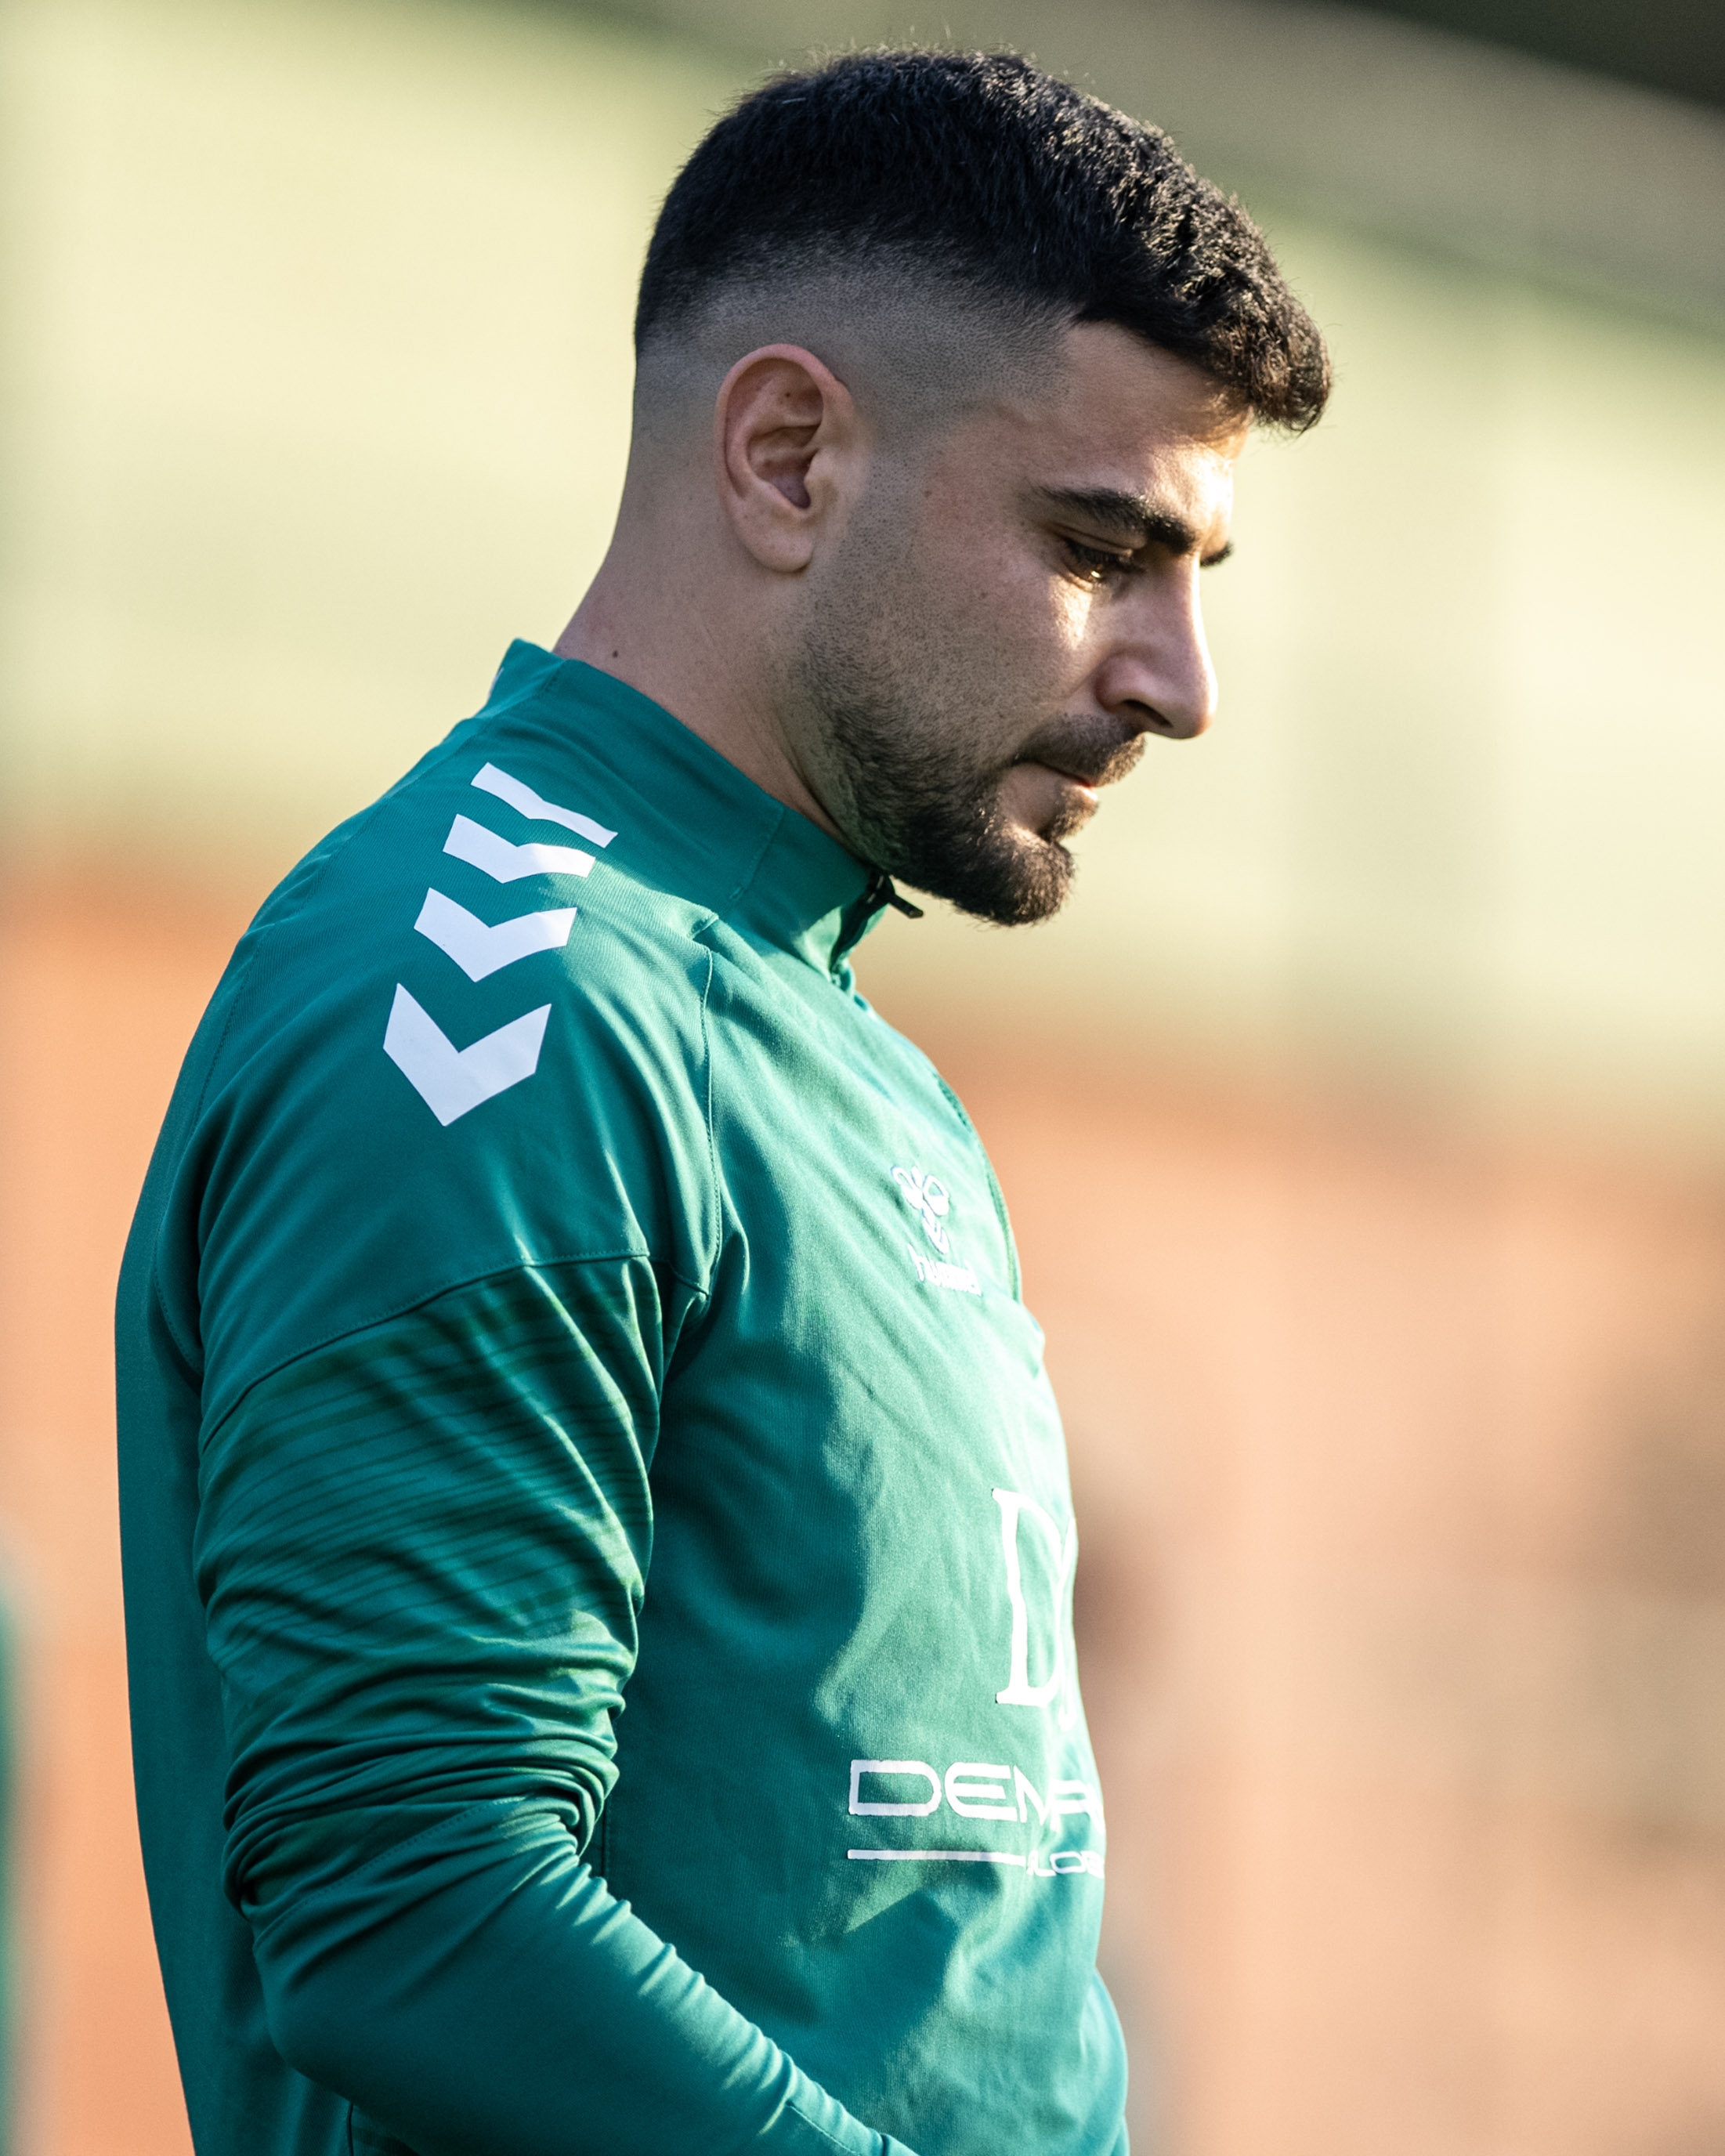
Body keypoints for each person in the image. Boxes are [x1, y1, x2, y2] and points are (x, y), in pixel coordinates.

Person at [116, 48, 1328, 2156]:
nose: (1178, 679)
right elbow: (412, 1909)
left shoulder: (823, 1034)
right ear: (786, 458)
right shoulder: (488, 1000)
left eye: (1194, 574)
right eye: (1099, 545)